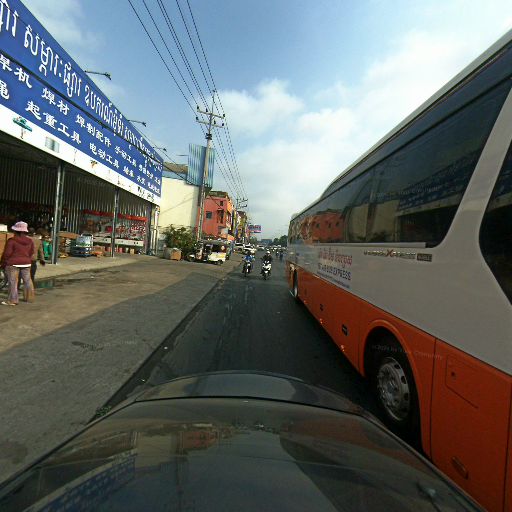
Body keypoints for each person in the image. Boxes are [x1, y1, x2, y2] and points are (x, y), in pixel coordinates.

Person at [0, 221, 35, 306]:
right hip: (26, 263)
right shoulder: (30, 241)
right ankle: (29, 298)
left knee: (13, 282)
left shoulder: (11, 241)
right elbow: (31, 252)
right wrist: (26, 258)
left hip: (13, 263)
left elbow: (7, 254)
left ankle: (13, 300)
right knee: (27, 280)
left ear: (15, 231)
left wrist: (2, 263)